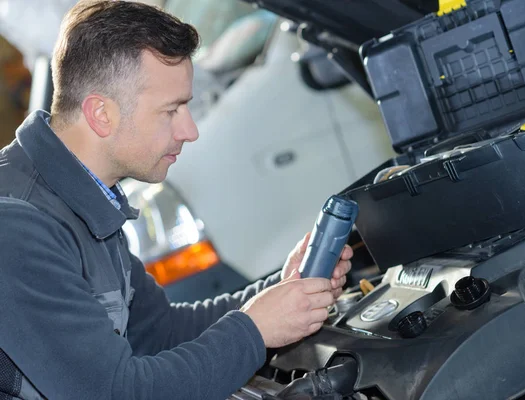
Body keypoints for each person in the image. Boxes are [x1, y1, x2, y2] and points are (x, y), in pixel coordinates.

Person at [0, 1, 353, 399]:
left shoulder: (84, 196)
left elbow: (159, 333)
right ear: (101, 114)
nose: (189, 130)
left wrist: (282, 293)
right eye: (172, 110)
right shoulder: (17, 226)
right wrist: (255, 330)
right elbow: (114, 393)